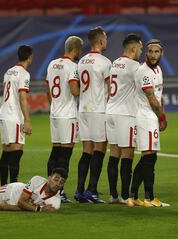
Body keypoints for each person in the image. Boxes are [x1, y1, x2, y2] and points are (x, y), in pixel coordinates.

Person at [126, 39, 168, 208]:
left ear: (161, 53)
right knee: (149, 158)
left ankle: (134, 196)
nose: (153, 55)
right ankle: (148, 198)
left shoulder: (158, 70)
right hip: (145, 118)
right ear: (146, 53)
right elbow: (151, 98)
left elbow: (159, 96)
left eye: (156, 52)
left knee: (148, 158)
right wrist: (162, 118)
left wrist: (161, 114)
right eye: (150, 51)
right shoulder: (144, 71)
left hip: (151, 118)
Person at [74, 26, 111, 203]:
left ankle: (79, 190)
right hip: (98, 109)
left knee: (86, 150)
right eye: (105, 37)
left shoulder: (81, 61)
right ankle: (92, 190)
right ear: (101, 40)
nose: (107, 40)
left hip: (83, 109)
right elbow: (112, 89)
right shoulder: (104, 62)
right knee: (100, 149)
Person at [45, 36, 83, 203]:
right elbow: (75, 91)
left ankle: (48, 188)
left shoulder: (52, 64)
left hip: (54, 113)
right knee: (65, 155)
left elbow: (48, 89)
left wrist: (54, 106)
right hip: (68, 114)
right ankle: (59, 191)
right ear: (76, 49)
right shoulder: (72, 66)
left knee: (55, 152)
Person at [105, 33, 142, 204]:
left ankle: (113, 195)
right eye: (140, 48)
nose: (141, 51)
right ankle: (126, 196)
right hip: (125, 114)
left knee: (114, 154)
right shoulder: (134, 66)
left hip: (110, 111)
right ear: (134, 48)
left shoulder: (115, 63)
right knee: (128, 155)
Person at [0, 45, 33, 186]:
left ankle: (3, 187)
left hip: (3, 114)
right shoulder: (24, 74)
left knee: (6, 152)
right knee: (16, 153)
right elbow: (22, 98)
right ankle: (13, 187)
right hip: (13, 116)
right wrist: (28, 121)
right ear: (30, 57)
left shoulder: (8, 71)